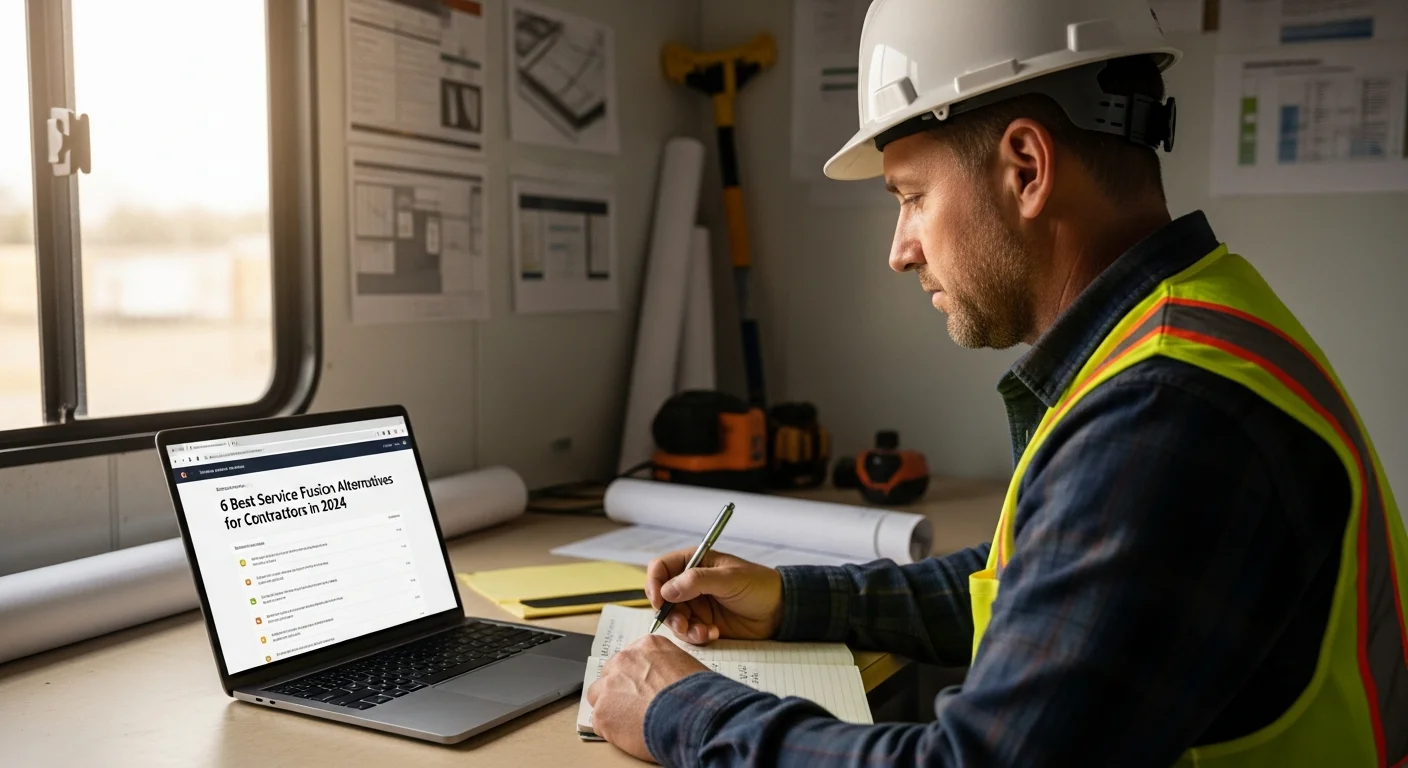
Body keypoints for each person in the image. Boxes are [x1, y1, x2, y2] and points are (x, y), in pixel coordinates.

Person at [586, 1, 1408, 765]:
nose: (900, 249)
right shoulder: (1185, 327)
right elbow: (1041, 587)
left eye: (910, 197)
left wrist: (683, 709)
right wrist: (797, 600)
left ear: (1025, 166)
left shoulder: (1164, 414)